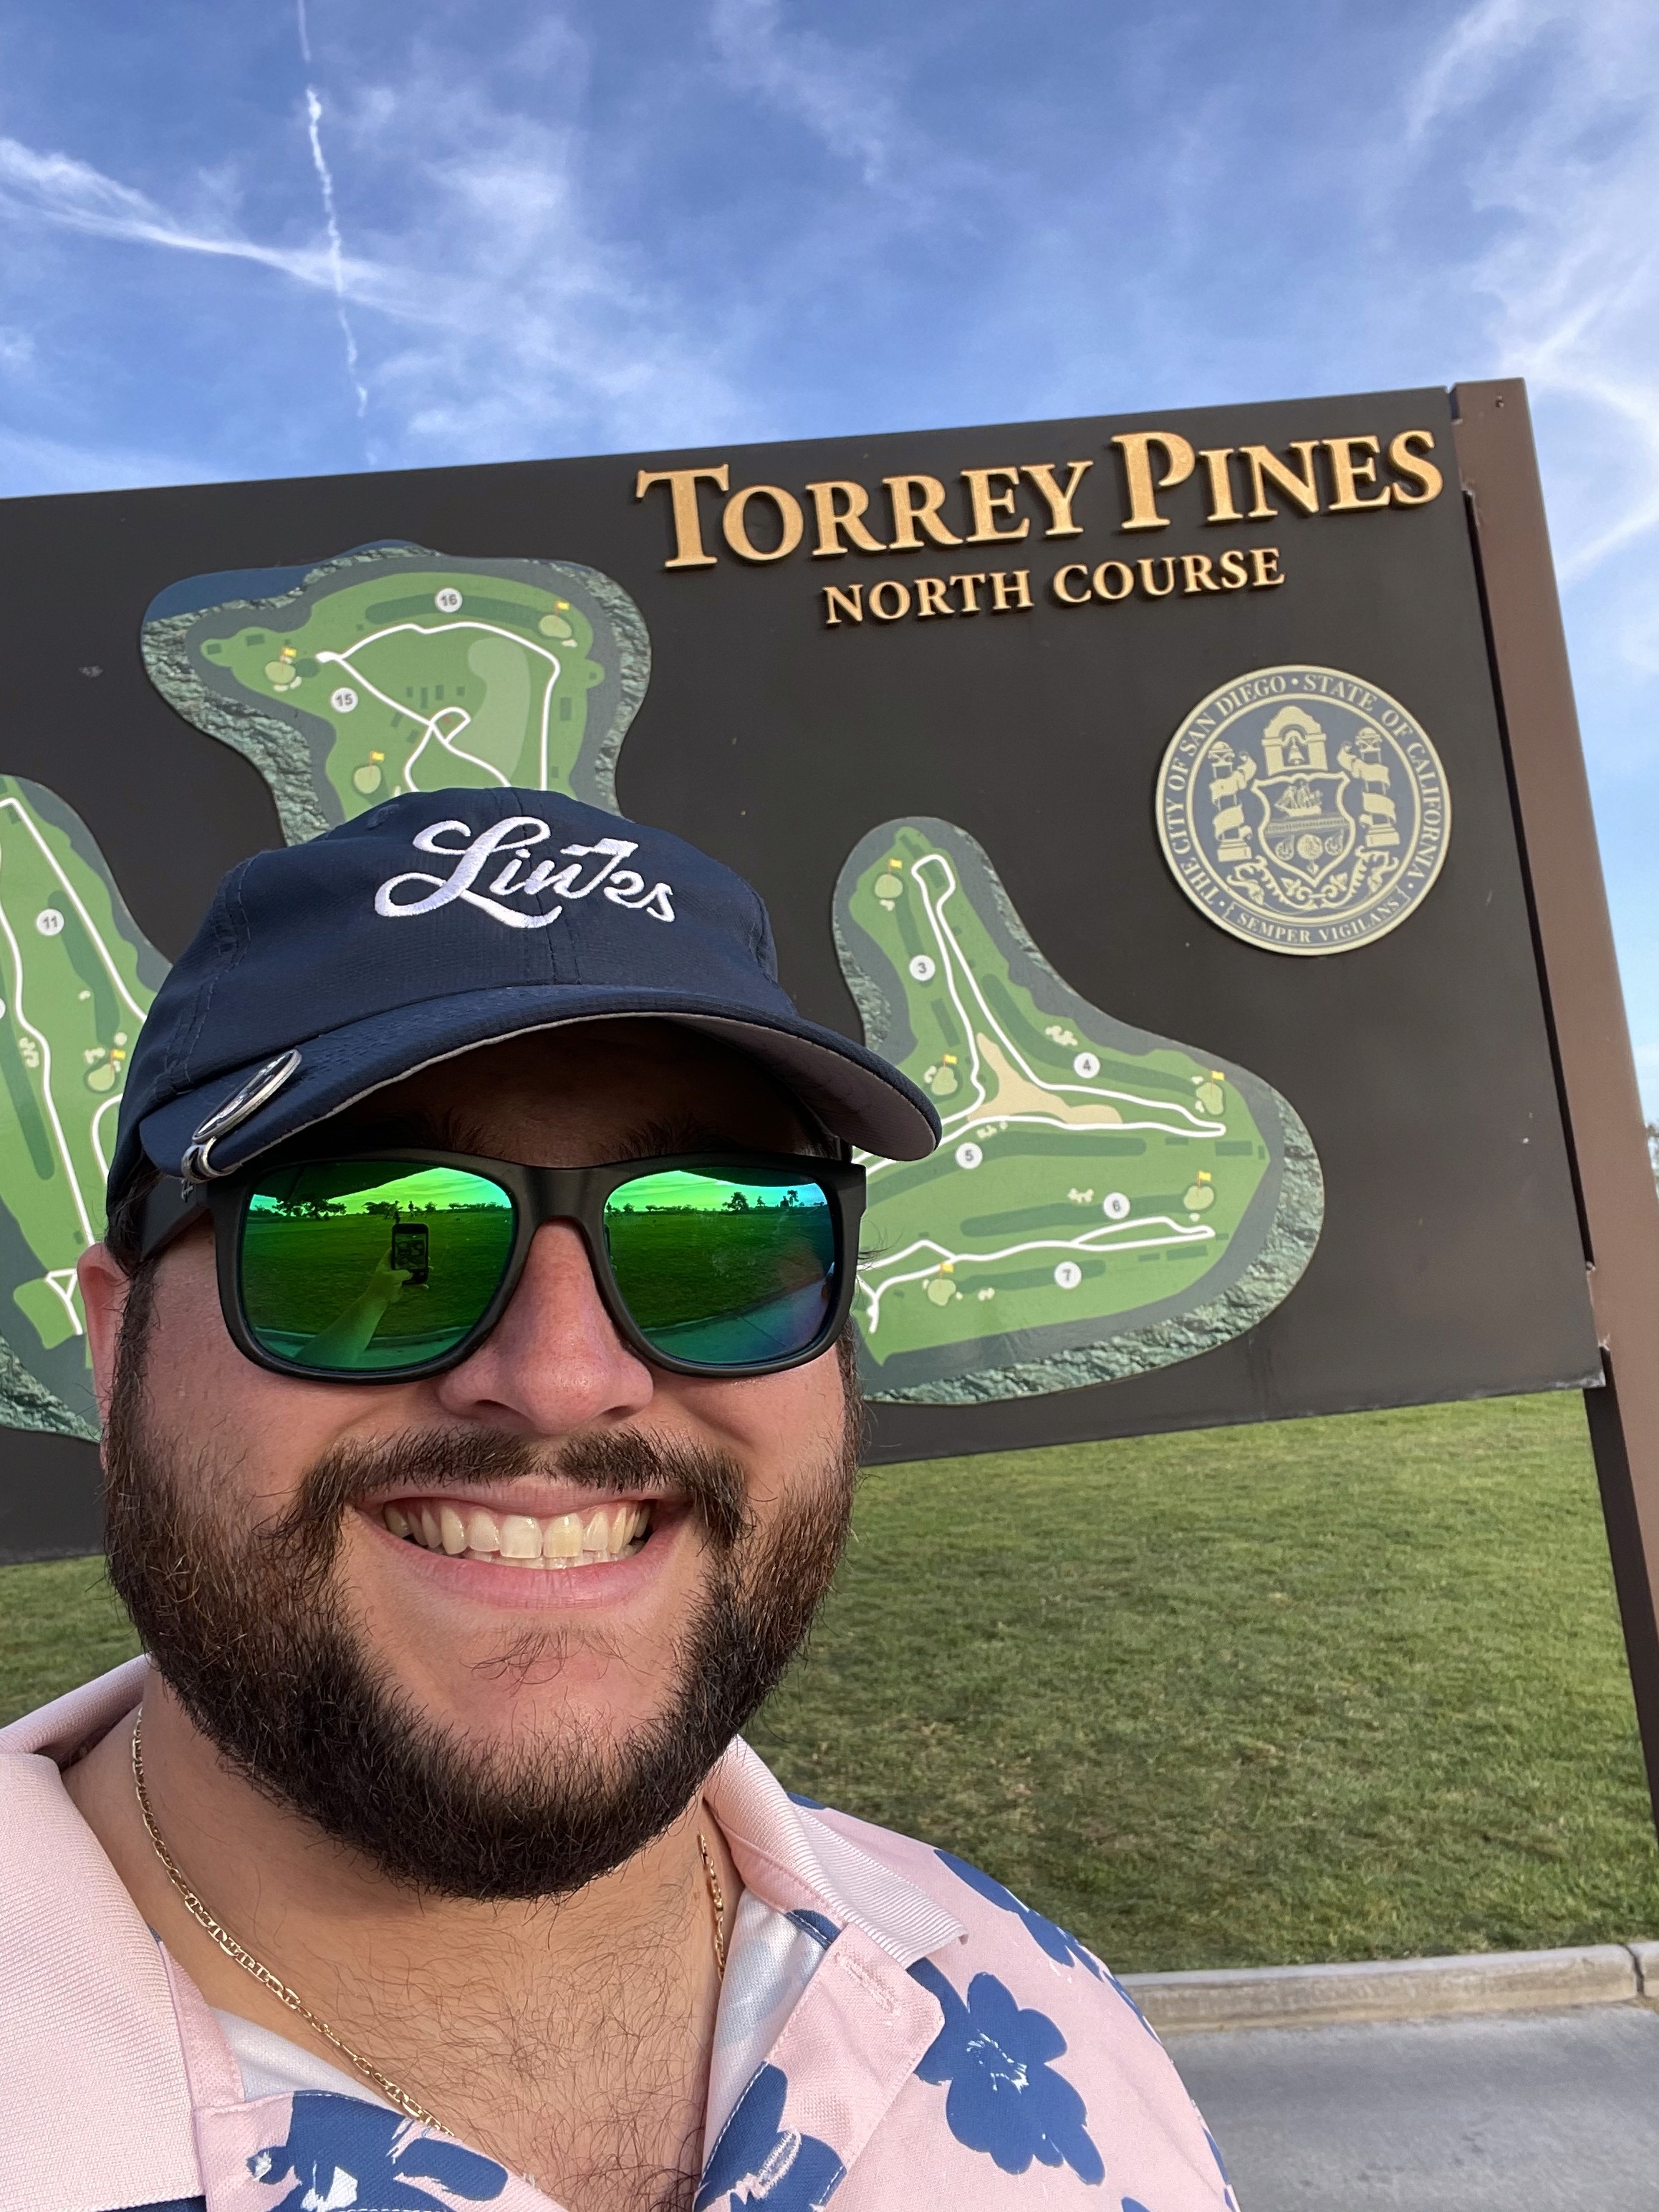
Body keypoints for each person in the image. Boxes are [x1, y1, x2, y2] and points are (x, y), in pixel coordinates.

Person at [0, 789, 1237, 2212]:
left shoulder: (1032, 2001)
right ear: (117, 1352)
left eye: (714, 1232)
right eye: (370, 1229)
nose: (565, 1377)